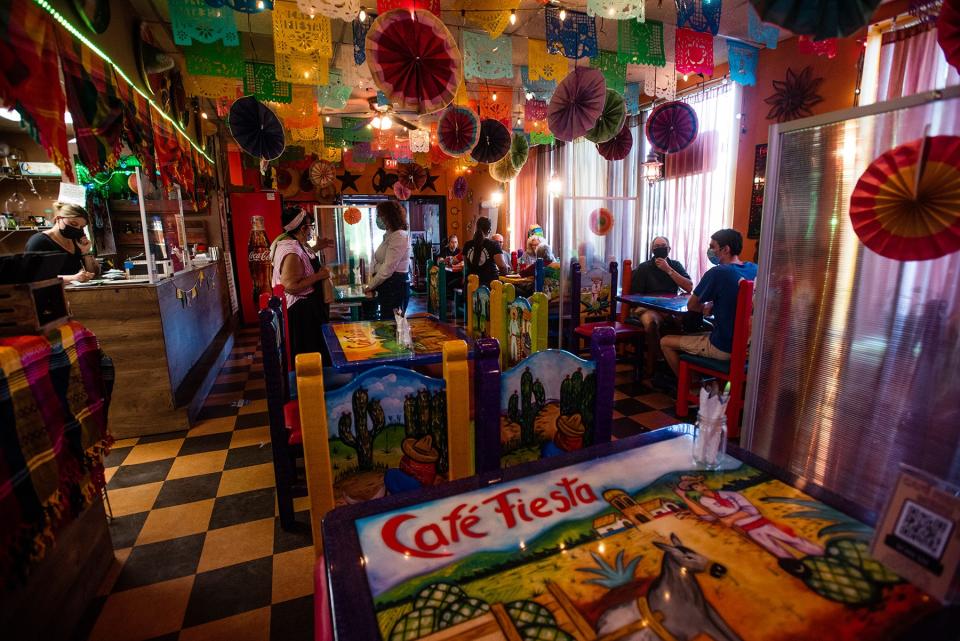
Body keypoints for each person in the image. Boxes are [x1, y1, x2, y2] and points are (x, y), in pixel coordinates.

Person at [660, 229, 757, 376]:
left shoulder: (718, 272)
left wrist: (707, 307)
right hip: (750, 348)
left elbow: (692, 305)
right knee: (700, 333)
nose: (710, 251)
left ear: (725, 249)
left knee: (666, 341)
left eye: (712, 247)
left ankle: (690, 387)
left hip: (724, 347)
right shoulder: (754, 269)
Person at [272, 206, 331, 359]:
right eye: (311, 226)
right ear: (303, 228)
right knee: (308, 356)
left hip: (305, 310)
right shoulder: (292, 250)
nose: (312, 230)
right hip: (301, 313)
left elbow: (304, 259)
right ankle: (310, 382)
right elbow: (290, 286)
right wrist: (320, 275)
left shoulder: (293, 242)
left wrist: (318, 247)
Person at [631, 236, 692, 379]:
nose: (660, 248)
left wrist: (668, 270)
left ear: (669, 249)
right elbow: (636, 296)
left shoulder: (675, 265)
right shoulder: (644, 268)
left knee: (686, 322)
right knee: (651, 323)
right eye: (657, 246)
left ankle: (679, 366)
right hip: (647, 307)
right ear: (652, 250)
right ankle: (658, 362)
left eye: (663, 245)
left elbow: (688, 287)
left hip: (670, 307)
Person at [24, 202, 100, 283]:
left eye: (81, 227)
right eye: (73, 224)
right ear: (58, 219)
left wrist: (86, 252)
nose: (77, 229)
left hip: (75, 292)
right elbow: (33, 276)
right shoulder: (39, 241)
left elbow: (93, 273)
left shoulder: (75, 240)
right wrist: (73, 278)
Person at [365, 200, 411, 317]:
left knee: (391, 326)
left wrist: (371, 285)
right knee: (386, 324)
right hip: (389, 286)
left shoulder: (399, 236)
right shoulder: (390, 234)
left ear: (389, 216)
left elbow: (388, 268)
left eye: (380, 215)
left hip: (394, 287)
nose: (378, 218)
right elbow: (380, 262)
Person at [462, 216, 509, 287]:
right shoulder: (494, 245)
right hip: (490, 287)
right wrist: (505, 272)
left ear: (476, 228)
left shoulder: (467, 245)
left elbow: (466, 266)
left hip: (470, 286)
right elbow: (502, 267)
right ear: (489, 230)